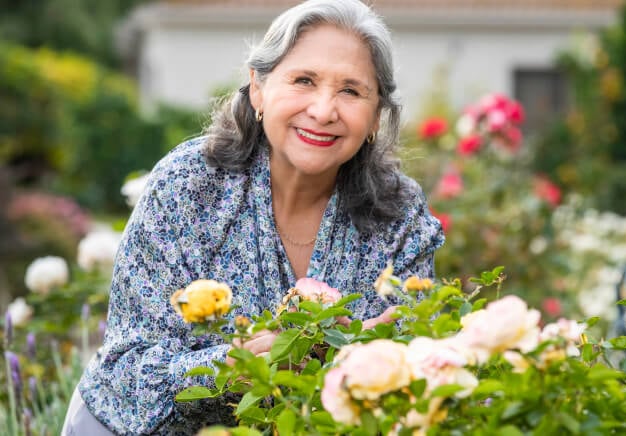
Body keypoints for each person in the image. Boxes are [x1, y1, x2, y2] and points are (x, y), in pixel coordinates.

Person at [61, 0, 444, 434]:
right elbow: (125, 370)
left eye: (351, 91)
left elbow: (413, 368)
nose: (323, 110)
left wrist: (370, 353)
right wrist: (226, 368)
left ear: (376, 115)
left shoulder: (399, 212)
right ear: (258, 89)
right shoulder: (189, 186)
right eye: (304, 80)